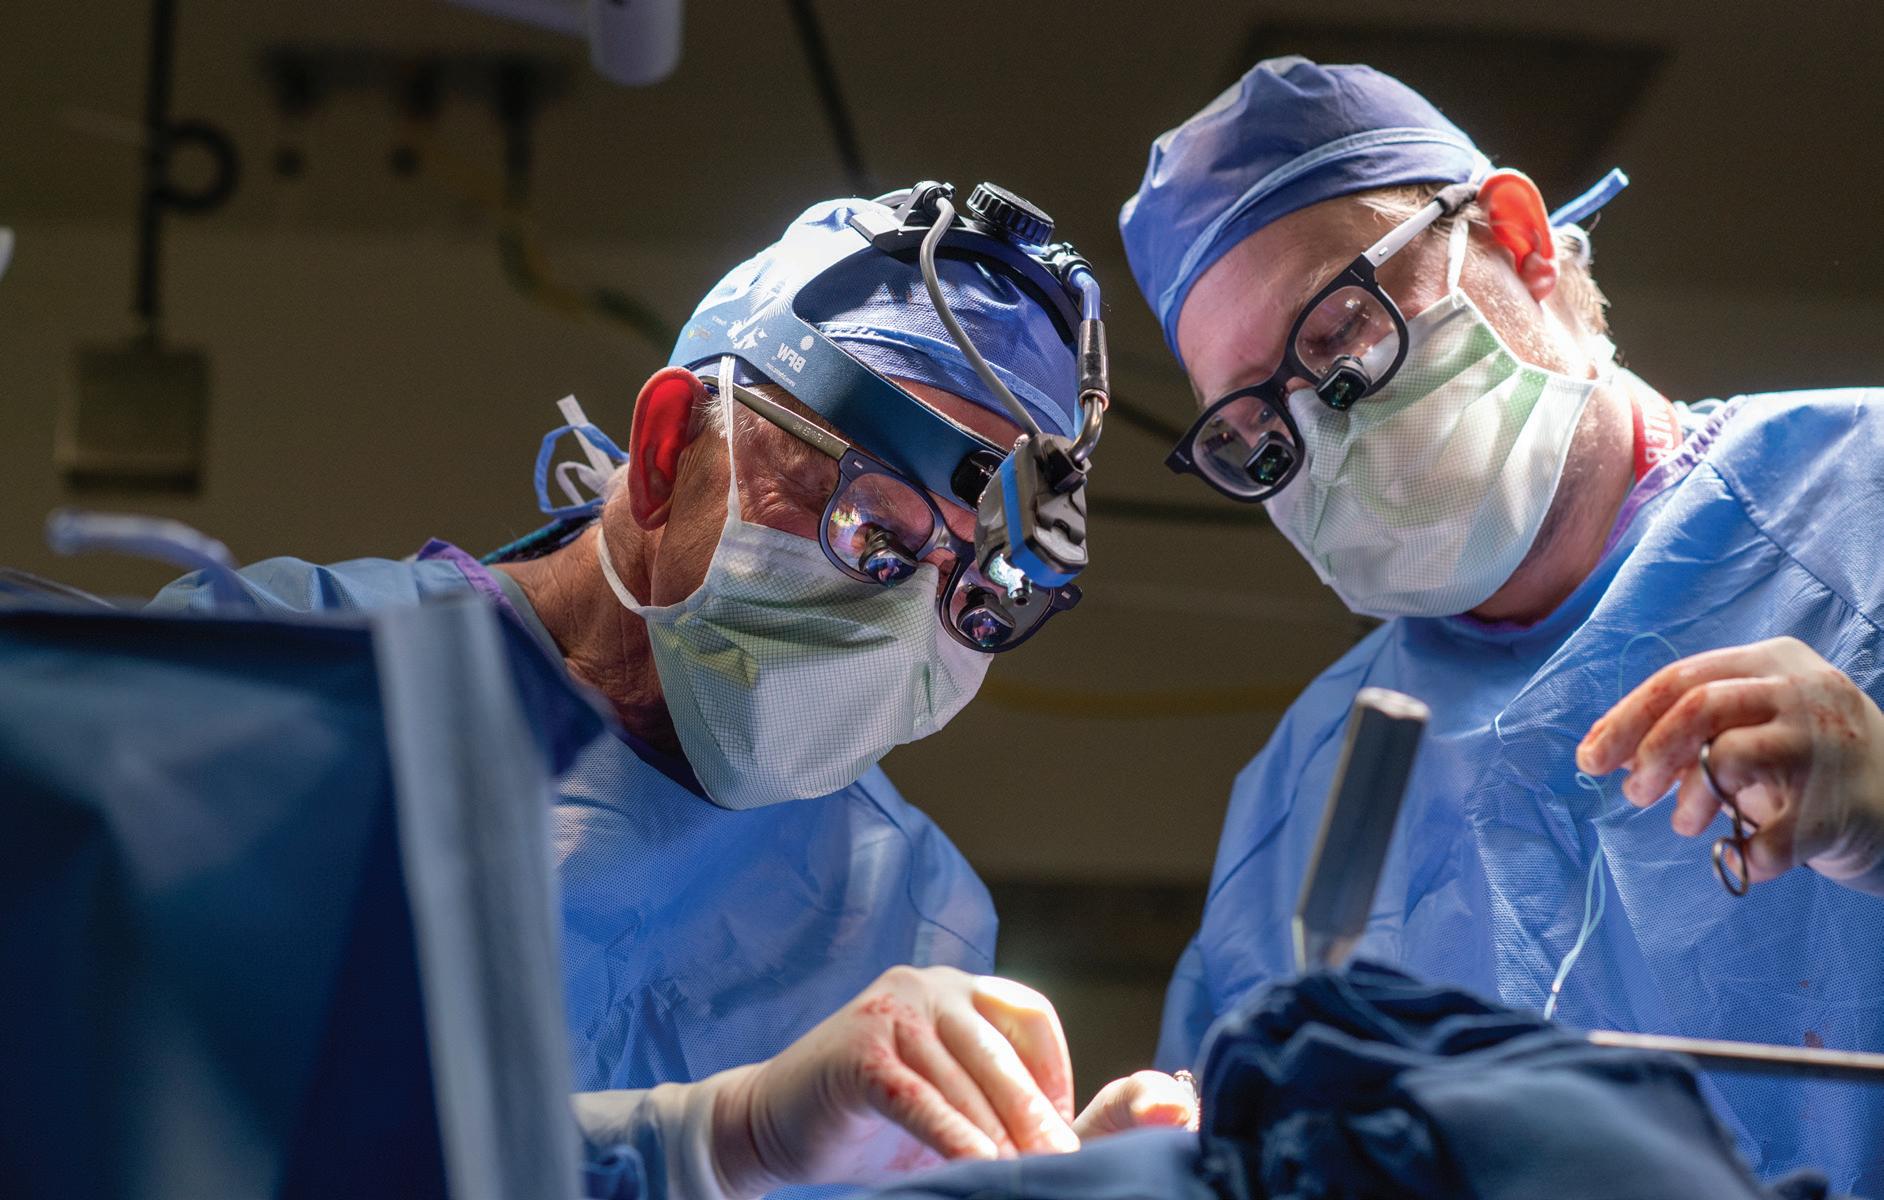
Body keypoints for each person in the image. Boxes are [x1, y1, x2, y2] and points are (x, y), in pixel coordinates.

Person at [152, 189, 1189, 1192]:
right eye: (874, 531)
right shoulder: (266, 688)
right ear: (663, 454)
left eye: (981, 590)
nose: (907, 624)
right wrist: (706, 1146)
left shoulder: (906, 907)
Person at [1119, 57, 1884, 1191]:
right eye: (1254, 423)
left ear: (1520, 237)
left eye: (1339, 339)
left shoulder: (1862, 508)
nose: (1319, 435)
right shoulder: (1308, 793)